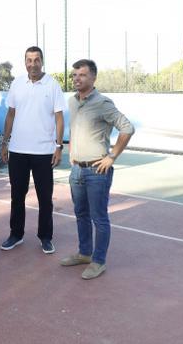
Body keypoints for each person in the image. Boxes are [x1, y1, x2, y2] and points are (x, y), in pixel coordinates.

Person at [60, 59, 133, 280]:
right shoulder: (72, 102)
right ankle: (84, 253)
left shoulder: (103, 103)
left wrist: (112, 156)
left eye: (81, 75)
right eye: (74, 75)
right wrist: (72, 153)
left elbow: (127, 128)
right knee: (80, 214)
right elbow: (74, 130)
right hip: (77, 171)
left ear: (93, 78)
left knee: (98, 218)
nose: (76, 79)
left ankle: (98, 261)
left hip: (97, 171)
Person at [0, 46, 64, 254]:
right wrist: (4, 143)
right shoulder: (17, 84)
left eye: (36, 60)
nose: (33, 64)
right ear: (24, 62)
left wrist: (58, 146)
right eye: (29, 60)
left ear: (42, 61)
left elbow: (59, 117)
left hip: (44, 152)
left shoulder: (52, 84)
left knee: (45, 198)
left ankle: (45, 237)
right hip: (18, 151)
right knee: (17, 195)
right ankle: (16, 234)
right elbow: (10, 114)